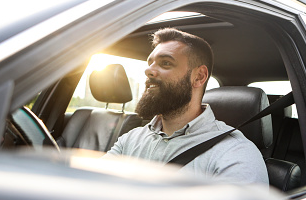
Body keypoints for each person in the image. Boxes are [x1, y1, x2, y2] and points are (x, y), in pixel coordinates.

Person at [104, 28, 268, 186]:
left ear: (198, 76)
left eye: (166, 63)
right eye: (150, 63)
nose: (149, 70)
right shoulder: (130, 139)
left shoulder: (235, 153)